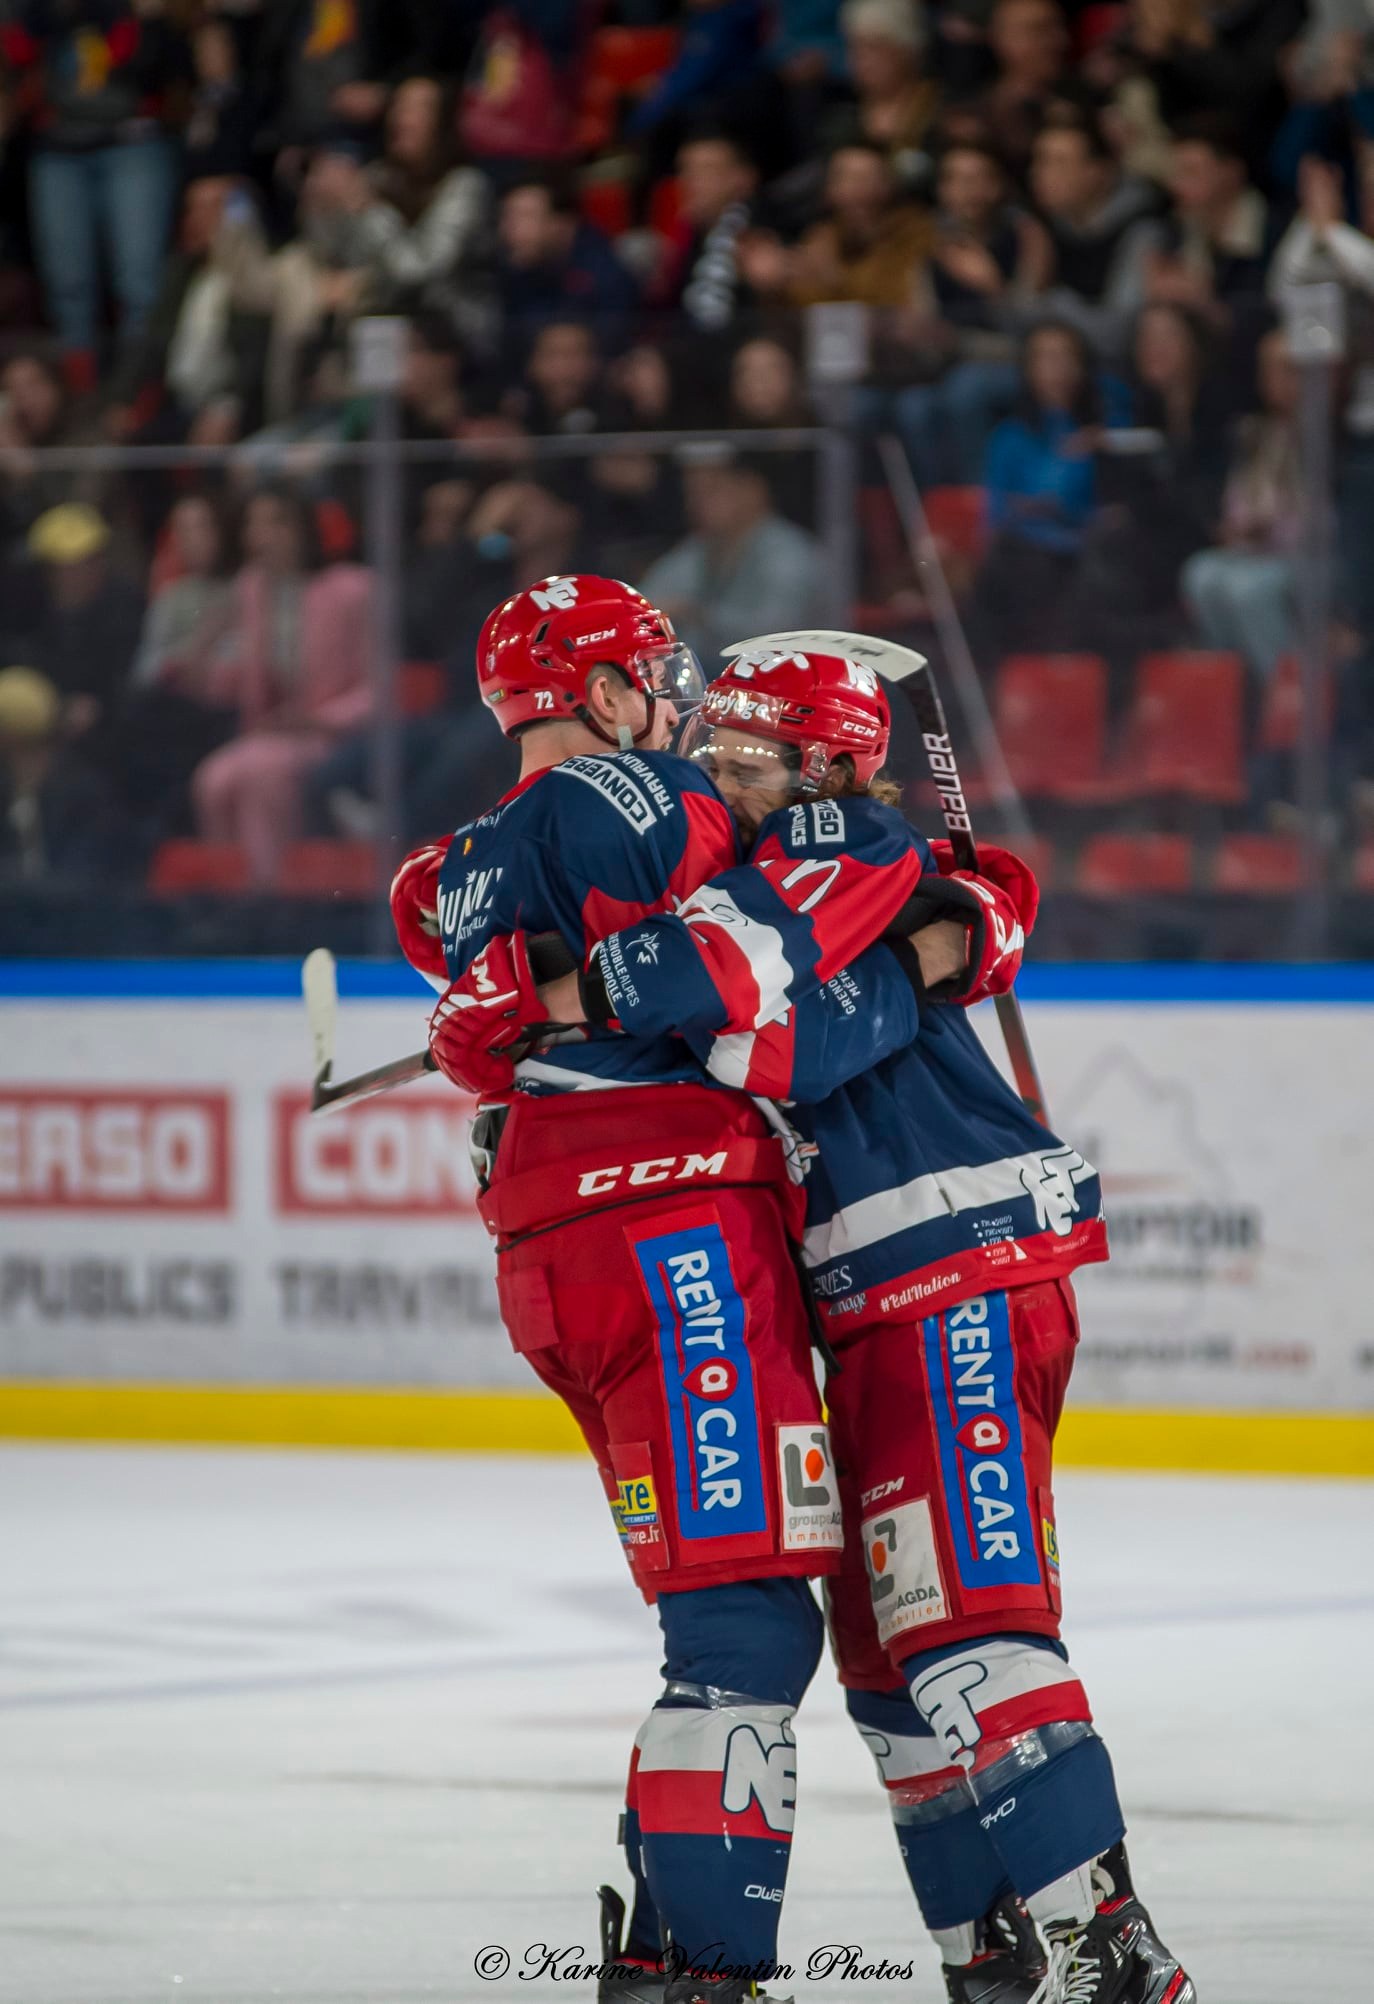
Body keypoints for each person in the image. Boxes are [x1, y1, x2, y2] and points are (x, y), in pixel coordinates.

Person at [504, 643, 1196, 2004]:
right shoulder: (778, 870)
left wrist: (599, 999)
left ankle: (1115, 1959)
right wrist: (955, 926)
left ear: (825, 768)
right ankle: (992, 1960)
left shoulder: (837, 840)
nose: (719, 783)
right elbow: (961, 911)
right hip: (878, 1303)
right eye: (709, 758)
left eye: (747, 763)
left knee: (969, 1634)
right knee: (889, 1676)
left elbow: (794, 1043)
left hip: (952, 1277)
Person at [386, 577, 929, 2002]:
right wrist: (871, 818)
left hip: (564, 1251)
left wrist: (524, 990)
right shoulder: (645, 794)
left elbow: (450, 963)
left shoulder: (456, 859)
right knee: (743, 1620)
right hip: (666, 1223)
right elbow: (762, 915)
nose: (688, 717)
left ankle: (666, 1945)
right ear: (609, 691)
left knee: (725, 1604)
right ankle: (699, 1968)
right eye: (656, 682)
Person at [190, 485, 374, 887]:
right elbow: (239, 677)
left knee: (260, 775)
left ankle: (268, 895)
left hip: (332, 735)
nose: (260, 535)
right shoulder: (253, 589)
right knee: (213, 779)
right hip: (271, 733)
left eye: (274, 522)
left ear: (303, 529)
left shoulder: (352, 590)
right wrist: (206, 663)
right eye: (253, 524)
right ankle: (227, 894)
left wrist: (315, 721)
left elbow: (379, 691)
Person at [1179, 328, 1303, 682]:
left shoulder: (1326, 436)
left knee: (1249, 589)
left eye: (1287, 369)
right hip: (1256, 550)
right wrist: (1237, 527)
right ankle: (1235, 687)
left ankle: (1285, 685)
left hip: (1301, 554)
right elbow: (1239, 498)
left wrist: (1273, 528)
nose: (1276, 380)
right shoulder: (1256, 433)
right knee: (1201, 574)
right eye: (1269, 370)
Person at [639, 452, 830, 666]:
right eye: (692, 493)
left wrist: (698, 613)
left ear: (752, 491)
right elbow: (648, 599)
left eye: (711, 491)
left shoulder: (789, 553)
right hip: (721, 677)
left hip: (792, 675)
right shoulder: (701, 546)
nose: (695, 504)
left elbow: (775, 633)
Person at [1028, 114, 1167, 360]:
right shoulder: (1042, 227)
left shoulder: (1142, 230)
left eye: (1058, 162)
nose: (1039, 173)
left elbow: (1120, 333)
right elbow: (1018, 328)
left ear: (1098, 171)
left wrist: (1050, 303)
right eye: (1039, 160)